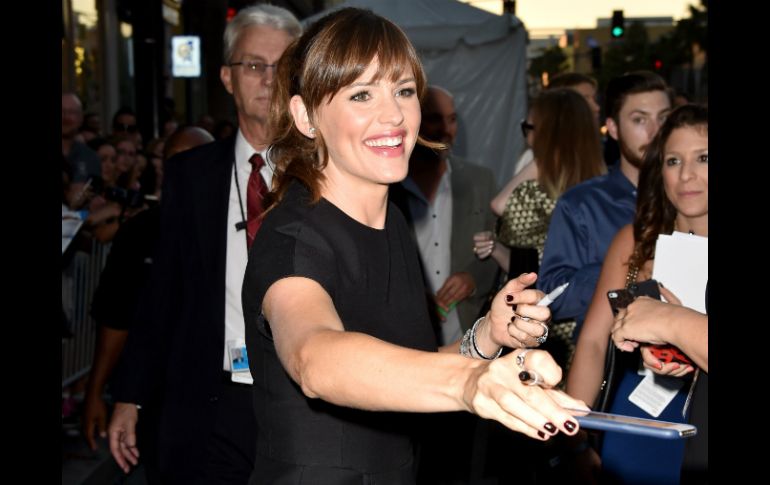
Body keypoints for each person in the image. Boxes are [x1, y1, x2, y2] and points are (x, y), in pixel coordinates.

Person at [241, 8, 587, 484]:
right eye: (361, 94)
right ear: (305, 116)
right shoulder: (295, 236)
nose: (394, 115)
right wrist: (470, 384)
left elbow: (410, 368)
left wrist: (486, 336)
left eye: (404, 91)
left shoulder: (394, 223)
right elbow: (314, 358)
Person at [107, 5, 302, 484]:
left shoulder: (326, 174)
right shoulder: (190, 176)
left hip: (303, 402)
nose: (268, 79)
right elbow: (161, 294)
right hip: (210, 404)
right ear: (227, 77)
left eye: (283, 67)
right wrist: (129, 396)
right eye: (254, 65)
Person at [568, 104, 708, 484]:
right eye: (674, 161)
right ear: (659, 171)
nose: (688, 175)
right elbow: (593, 343)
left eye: (703, 158)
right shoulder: (635, 243)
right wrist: (576, 440)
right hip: (638, 419)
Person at [538, 71, 671, 339]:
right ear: (612, 128)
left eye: (664, 119)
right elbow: (553, 296)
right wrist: (624, 271)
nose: (655, 132)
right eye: (639, 120)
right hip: (612, 358)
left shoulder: (692, 197)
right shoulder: (582, 203)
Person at [390, 85, 498, 346]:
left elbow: (497, 248)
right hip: (402, 340)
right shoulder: (386, 187)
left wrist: (472, 279)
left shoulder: (480, 181)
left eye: (452, 120)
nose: (446, 130)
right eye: (435, 119)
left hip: (468, 336)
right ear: (412, 120)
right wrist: (411, 294)